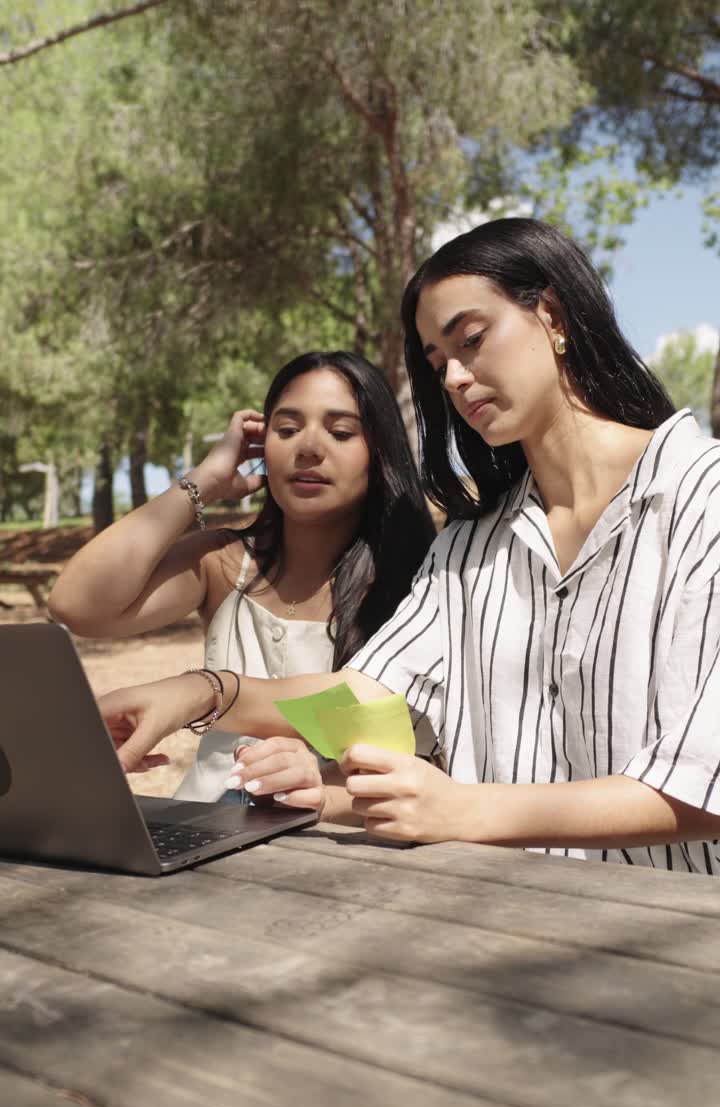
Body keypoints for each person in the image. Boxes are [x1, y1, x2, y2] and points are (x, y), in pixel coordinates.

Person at [97, 218, 720, 872]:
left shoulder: (702, 500)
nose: (453, 376)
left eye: (472, 339)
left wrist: (464, 809)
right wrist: (202, 691)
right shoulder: (470, 547)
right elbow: (370, 694)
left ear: (554, 315)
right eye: (436, 361)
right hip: (497, 925)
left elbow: (705, 783)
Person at [50, 350, 435, 803]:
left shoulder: (421, 582)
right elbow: (77, 606)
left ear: (380, 452)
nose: (308, 448)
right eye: (287, 430)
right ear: (261, 445)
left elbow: (430, 762)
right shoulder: (225, 563)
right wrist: (204, 481)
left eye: (341, 432)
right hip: (203, 830)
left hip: (345, 846)